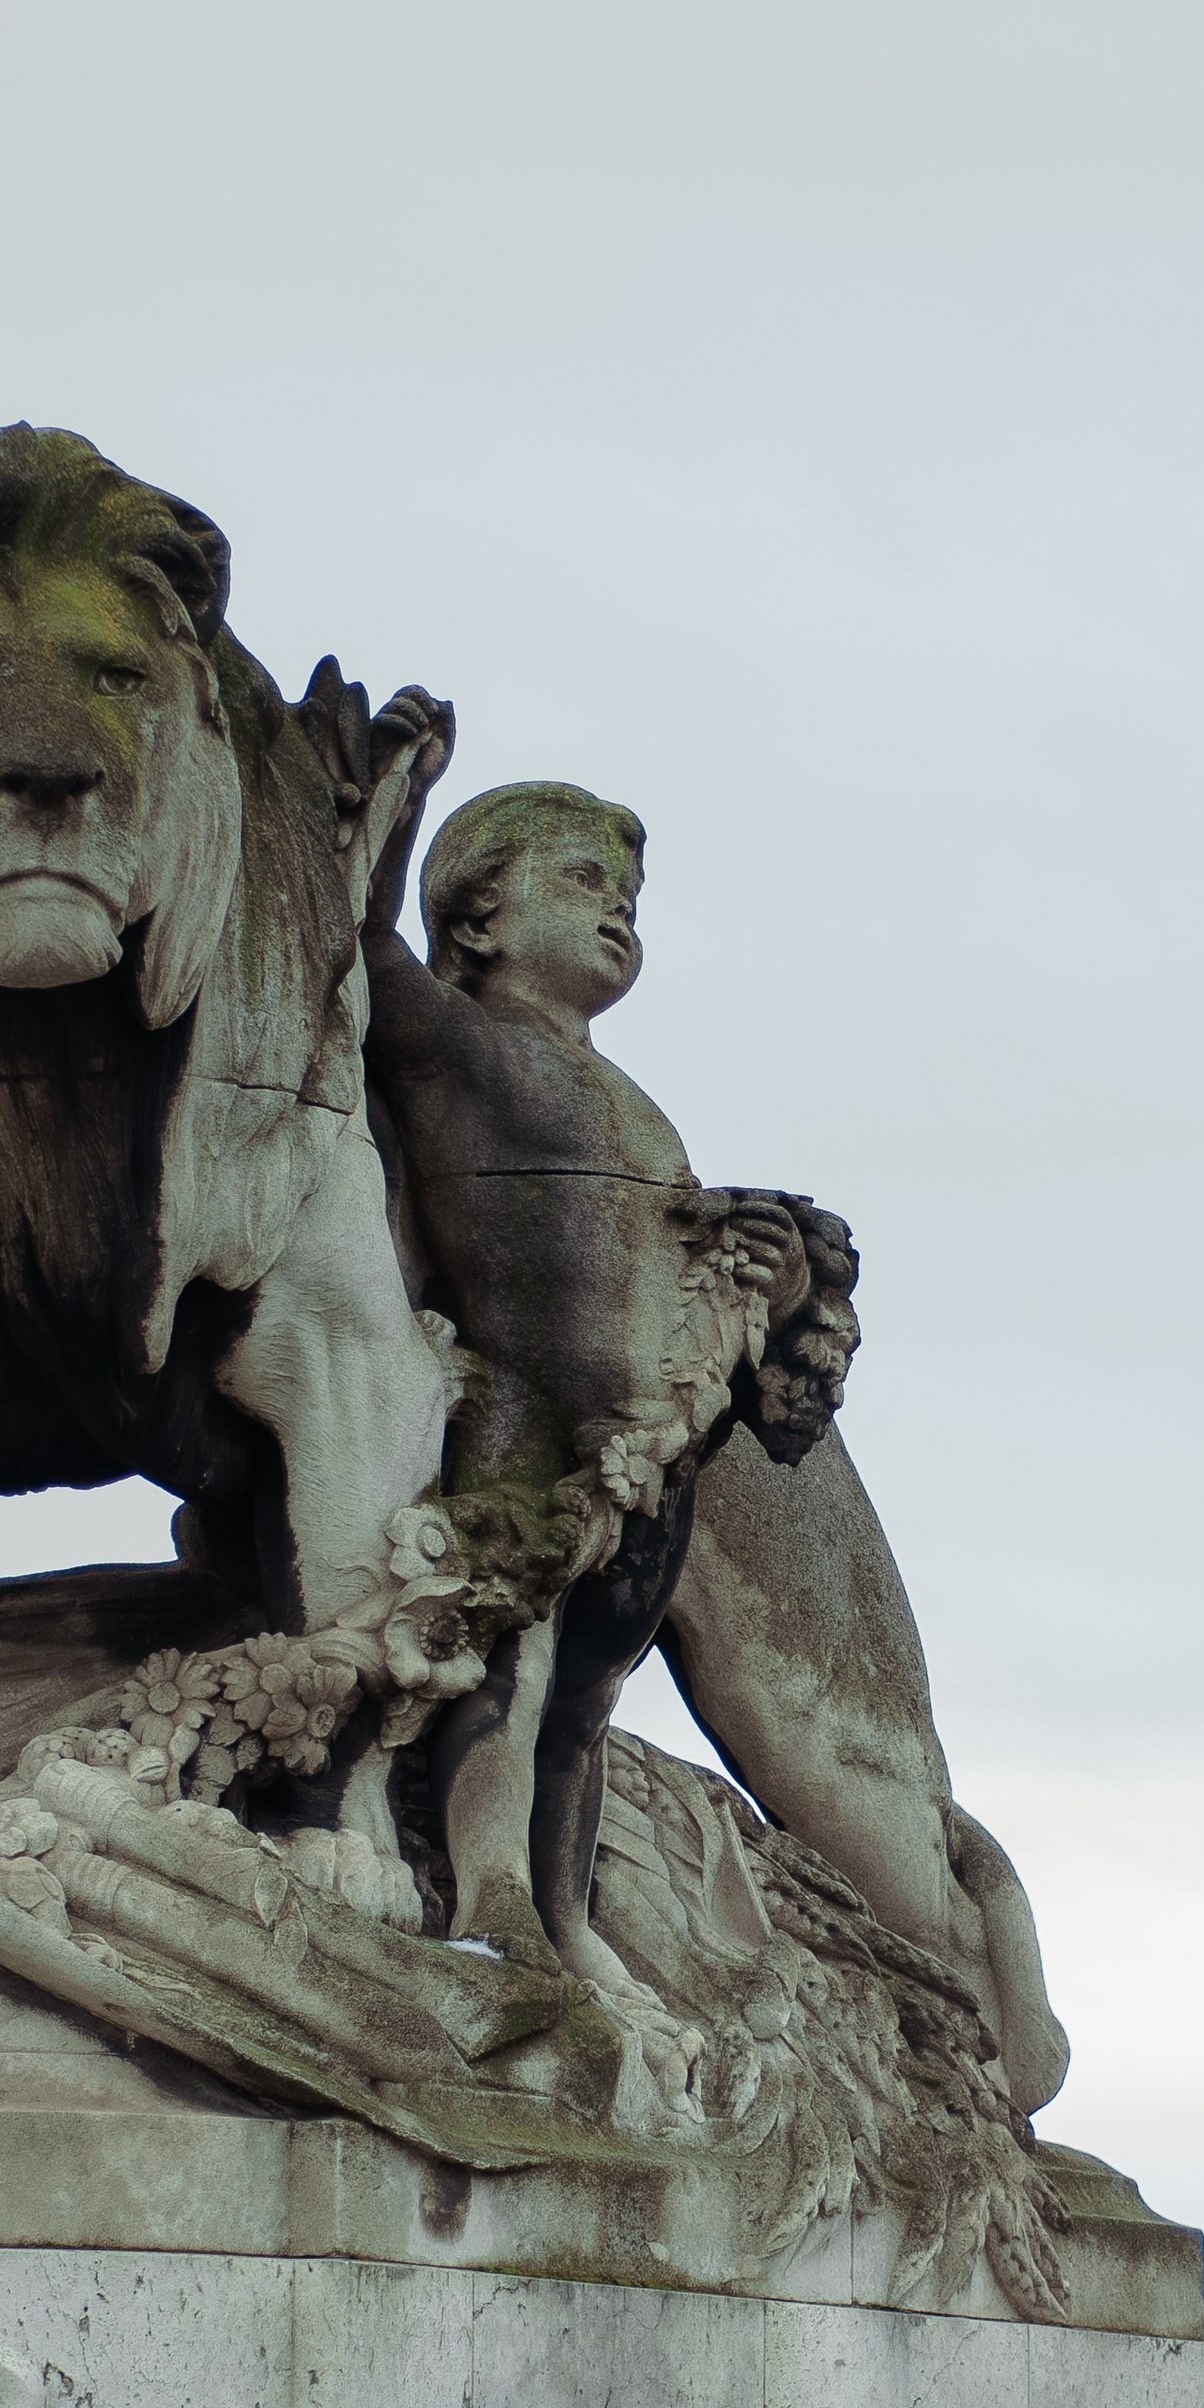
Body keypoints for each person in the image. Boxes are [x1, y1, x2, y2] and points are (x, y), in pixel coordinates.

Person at [359, 781, 854, 1975]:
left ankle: (566, 1914)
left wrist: (782, 1287)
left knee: (585, 1703)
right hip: (522, 1422)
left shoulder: (626, 1095)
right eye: (584, 882)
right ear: (475, 921)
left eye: (631, 897)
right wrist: (386, 807)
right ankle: (493, 1894)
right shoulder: (452, 1039)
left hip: (651, 1453)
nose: (621, 912)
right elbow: (358, 947)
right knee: (513, 1662)